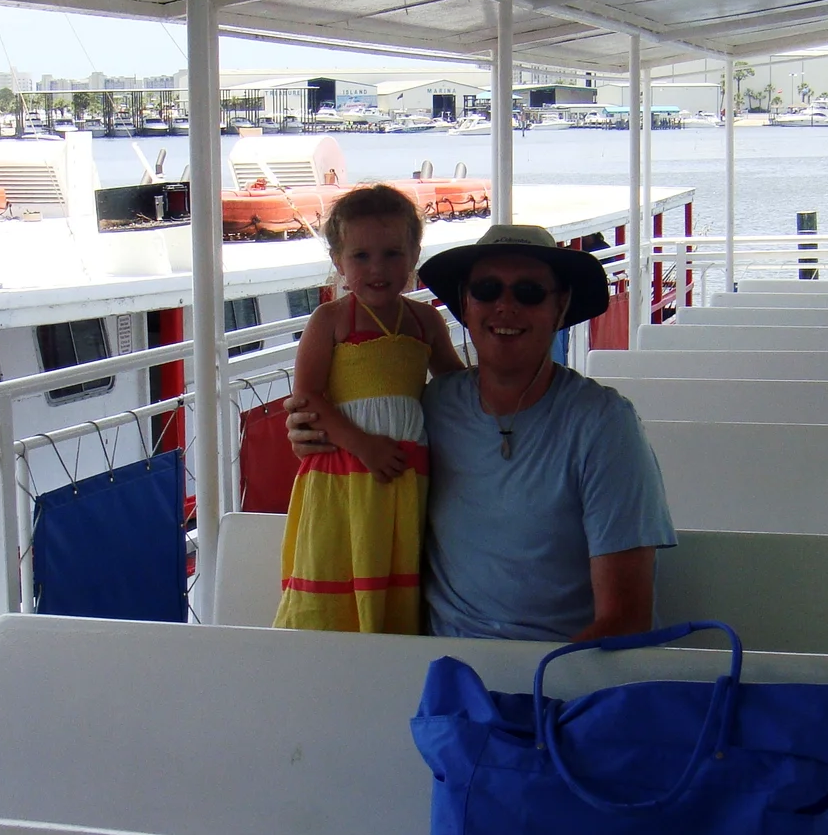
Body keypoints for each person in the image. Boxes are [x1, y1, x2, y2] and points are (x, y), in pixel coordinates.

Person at [289, 224, 675, 641]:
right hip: (439, 664)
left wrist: (540, 677)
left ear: (560, 306)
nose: (505, 306)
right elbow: (363, 442)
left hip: (555, 665)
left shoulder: (605, 425)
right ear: (465, 304)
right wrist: (311, 436)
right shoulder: (433, 407)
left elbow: (626, 619)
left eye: (529, 292)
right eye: (487, 290)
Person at [274, 185, 463, 632]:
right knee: (338, 556)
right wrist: (362, 445)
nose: (377, 268)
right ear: (338, 261)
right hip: (343, 470)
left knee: (394, 561)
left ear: (414, 255)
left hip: (406, 472)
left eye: (393, 254)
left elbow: (455, 385)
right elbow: (308, 397)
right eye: (361, 256)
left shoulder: (426, 321)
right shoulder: (330, 319)